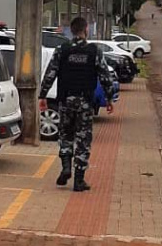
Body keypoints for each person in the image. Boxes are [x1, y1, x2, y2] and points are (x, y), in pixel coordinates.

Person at [39, 16, 115, 192]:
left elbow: (51, 73)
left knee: (65, 136)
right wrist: (109, 98)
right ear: (86, 29)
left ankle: (66, 167)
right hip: (85, 104)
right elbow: (105, 76)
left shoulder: (62, 50)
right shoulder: (94, 51)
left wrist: (43, 95)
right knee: (83, 139)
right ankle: (79, 180)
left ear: (71, 31)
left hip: (65, 101)